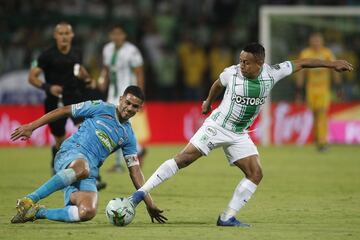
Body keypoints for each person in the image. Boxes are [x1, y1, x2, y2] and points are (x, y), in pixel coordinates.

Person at [128, 43, 353, 227]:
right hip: (217, 127)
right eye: (241, 60)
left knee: (255, 173)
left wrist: (333, 64)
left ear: (260, 64)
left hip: (239, 134)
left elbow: (303, 63)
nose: (241, 65)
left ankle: (227, 217)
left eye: (246, 62)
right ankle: (139, 195)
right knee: (184, 159)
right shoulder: (232, 73)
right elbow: (217, 83)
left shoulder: (272, 73)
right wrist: (208, 102)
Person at [10, 86, 167, 224]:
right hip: (69, 154)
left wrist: (148, 202)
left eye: (135, 106)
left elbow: (135, 172)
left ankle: (36, 213)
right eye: (128, 102)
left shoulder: (128, 136)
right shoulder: (100, 107)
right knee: (82, 167)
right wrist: (31, 126)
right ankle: (29, 199)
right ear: (120, 99)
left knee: (87, 212)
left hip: (88, 172)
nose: (130, 108)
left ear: (138, 109)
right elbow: (64, 110)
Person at [28, 22, 106, 190]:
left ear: (71, 36)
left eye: (66, 33)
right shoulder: (46, 55)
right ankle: (56, 165)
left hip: (75, 99)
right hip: (53, 101)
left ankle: (93, 175)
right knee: (60, 141)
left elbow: (79, 69)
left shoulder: (76, 52)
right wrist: (48, 87)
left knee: (87, 133)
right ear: (55, 36)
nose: (63, 36)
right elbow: (32, 77)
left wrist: (87, 79)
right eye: (60, 33)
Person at [98, 24, 148, 172]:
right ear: (110, 36)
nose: (116, 37)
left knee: (118, 126)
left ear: (124, 36)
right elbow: (106, 69)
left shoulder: (131, 51)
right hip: (113, 94)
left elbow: (139, 73)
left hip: (127, 95)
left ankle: (121, 163)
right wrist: (102, 81)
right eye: (114, 34)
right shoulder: (107, 49)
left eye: (119, 34)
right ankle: (137, 151)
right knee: (115, 126)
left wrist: (140, 98)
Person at [296, 33, 342, 152]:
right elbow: (301, 74)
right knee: (315, 115)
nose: (316, 43)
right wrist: (299, 91)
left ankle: (323, 142)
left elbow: (335, 70)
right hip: (311, 89)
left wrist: (338, 87)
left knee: (322, 113)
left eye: (318, 41)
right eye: (314, 41)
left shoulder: (327, 53)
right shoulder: (306, 54)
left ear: (322, 42)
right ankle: (317, 139)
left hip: (323, 89)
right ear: (310, 42)